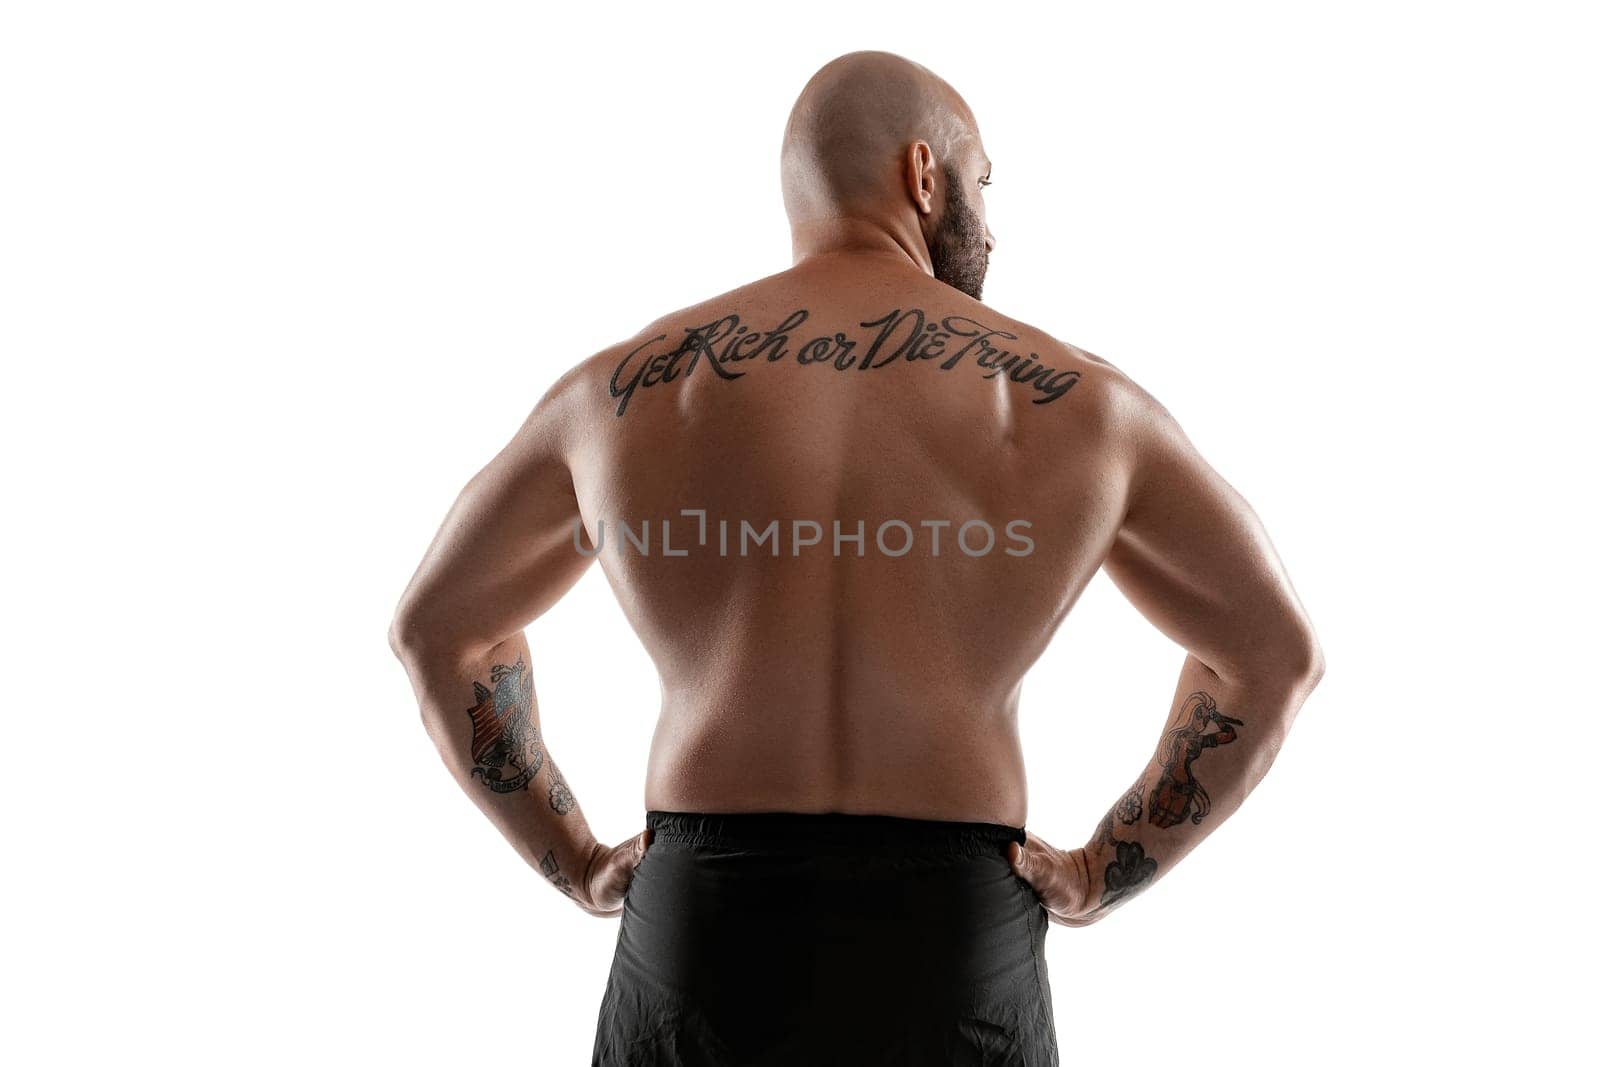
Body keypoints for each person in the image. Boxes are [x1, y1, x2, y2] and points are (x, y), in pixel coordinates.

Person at [390, 48, 1325, 1066]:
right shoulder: (1083, 406)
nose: (992, 220)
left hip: (702, 921)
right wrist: (1102, 869)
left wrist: (576, 862)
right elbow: (1271, 655)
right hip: (954, 927)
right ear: (923, 174)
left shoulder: (619, 393)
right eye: (981, 179)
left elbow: (440, 629)